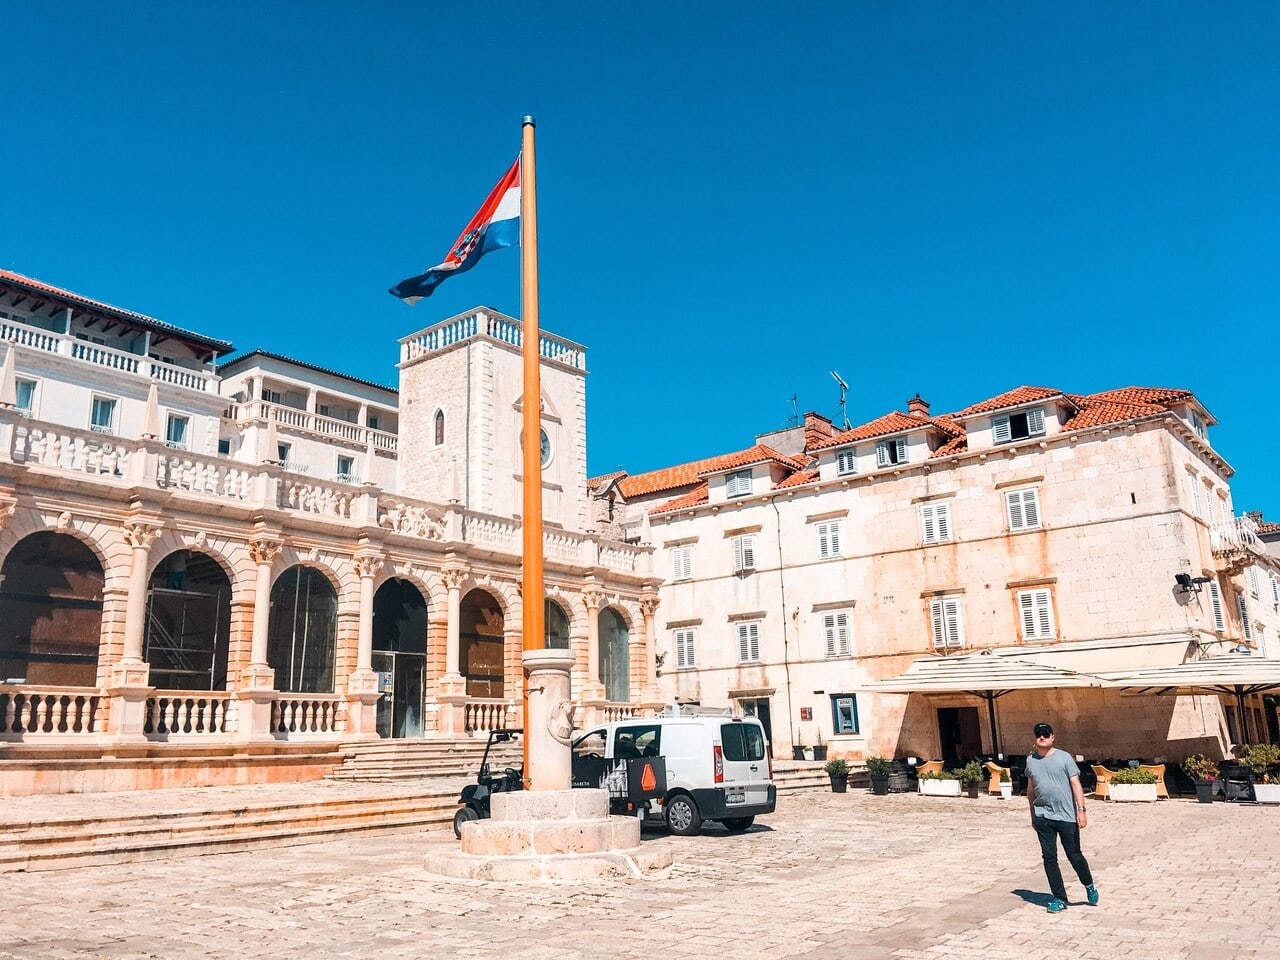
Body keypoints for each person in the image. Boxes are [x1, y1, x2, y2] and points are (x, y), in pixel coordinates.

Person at [1025, 722, 1098, 913]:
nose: (1042, 737)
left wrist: (1081, 810)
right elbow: (1031, 789)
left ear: (1052, 737)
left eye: (1046, 734)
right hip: (1043, 816)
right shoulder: (1030, 761)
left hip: (1066, 816)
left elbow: (1076, 784)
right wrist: (1033, 814)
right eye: (1039, 734)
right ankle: (1059, 897)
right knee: (1049, 857)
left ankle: (1089, 884)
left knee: (1074, 855)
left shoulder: (1064, 758)